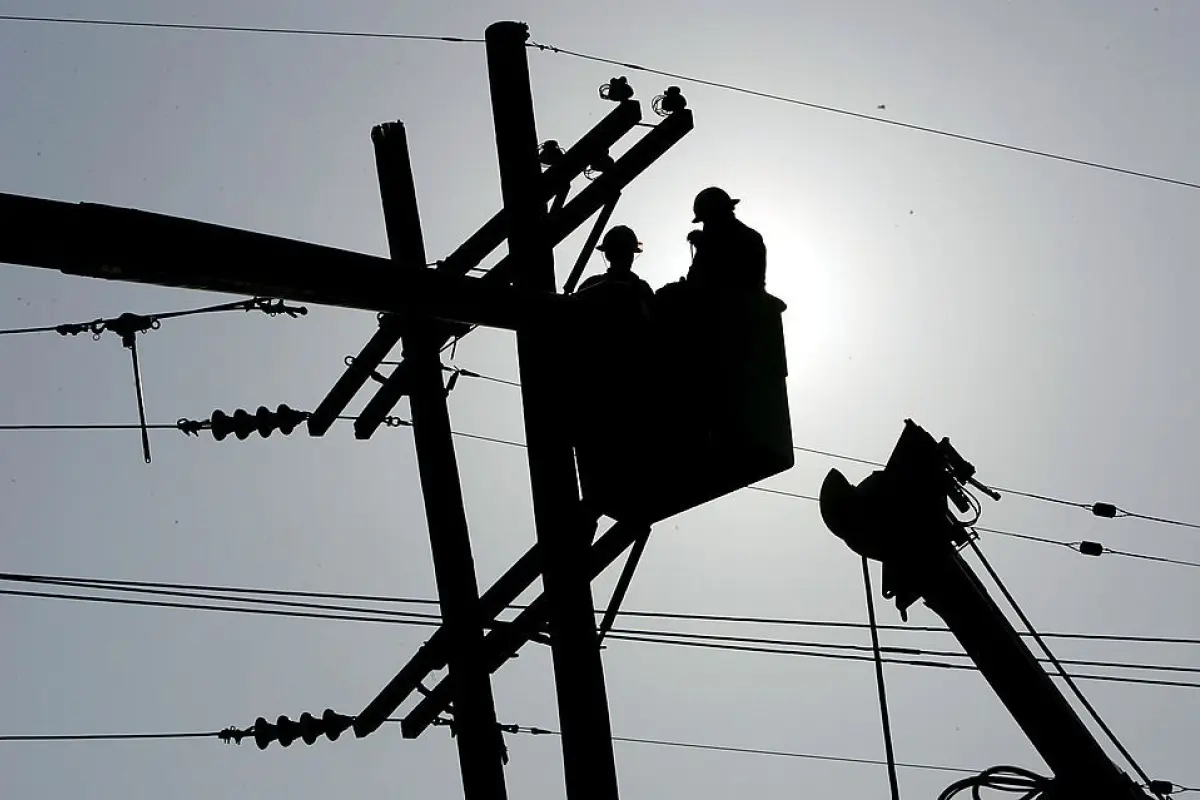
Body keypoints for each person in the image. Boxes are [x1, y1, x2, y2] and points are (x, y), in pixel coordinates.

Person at [685, 187, 766, 291]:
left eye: (706, 220)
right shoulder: (712, 239)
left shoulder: (746, 237)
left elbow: (726, 274)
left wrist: (704, 245)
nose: (706, 225)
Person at [578, 224, 654, 313]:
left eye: (626, 251)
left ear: (607, 254)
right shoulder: (592, 284)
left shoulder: (591, 284)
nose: (626, 256)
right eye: (620, 251)